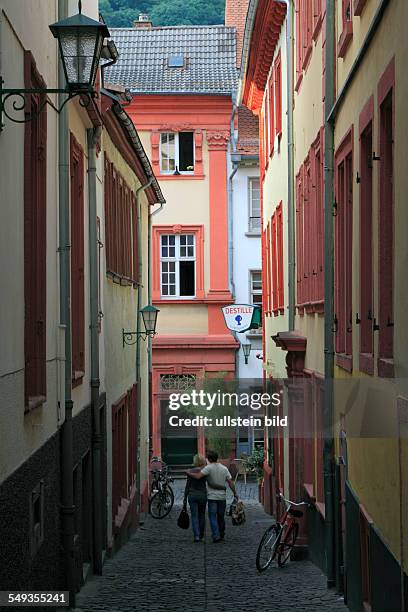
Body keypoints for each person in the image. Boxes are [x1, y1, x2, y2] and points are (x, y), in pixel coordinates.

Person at [186, 450, 238, 543]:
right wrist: (234, 493)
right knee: (220, 516)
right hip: (222, 497)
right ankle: (221, 534)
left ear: (209, 459)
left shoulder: (208, 468)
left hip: (211, 497)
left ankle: (215, 535)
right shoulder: (224, 468)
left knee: (212, 516)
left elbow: (198, 477)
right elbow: (230, 482)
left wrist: (188, 472)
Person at [184, 454, 207, 542]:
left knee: (194, 516)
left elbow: (187, 486)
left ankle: (196, 535)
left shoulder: (191, 471)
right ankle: (201, 535)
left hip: (192, 495)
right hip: (202, 495)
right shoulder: (205, 471)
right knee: (202, 515)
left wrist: (184, 498)